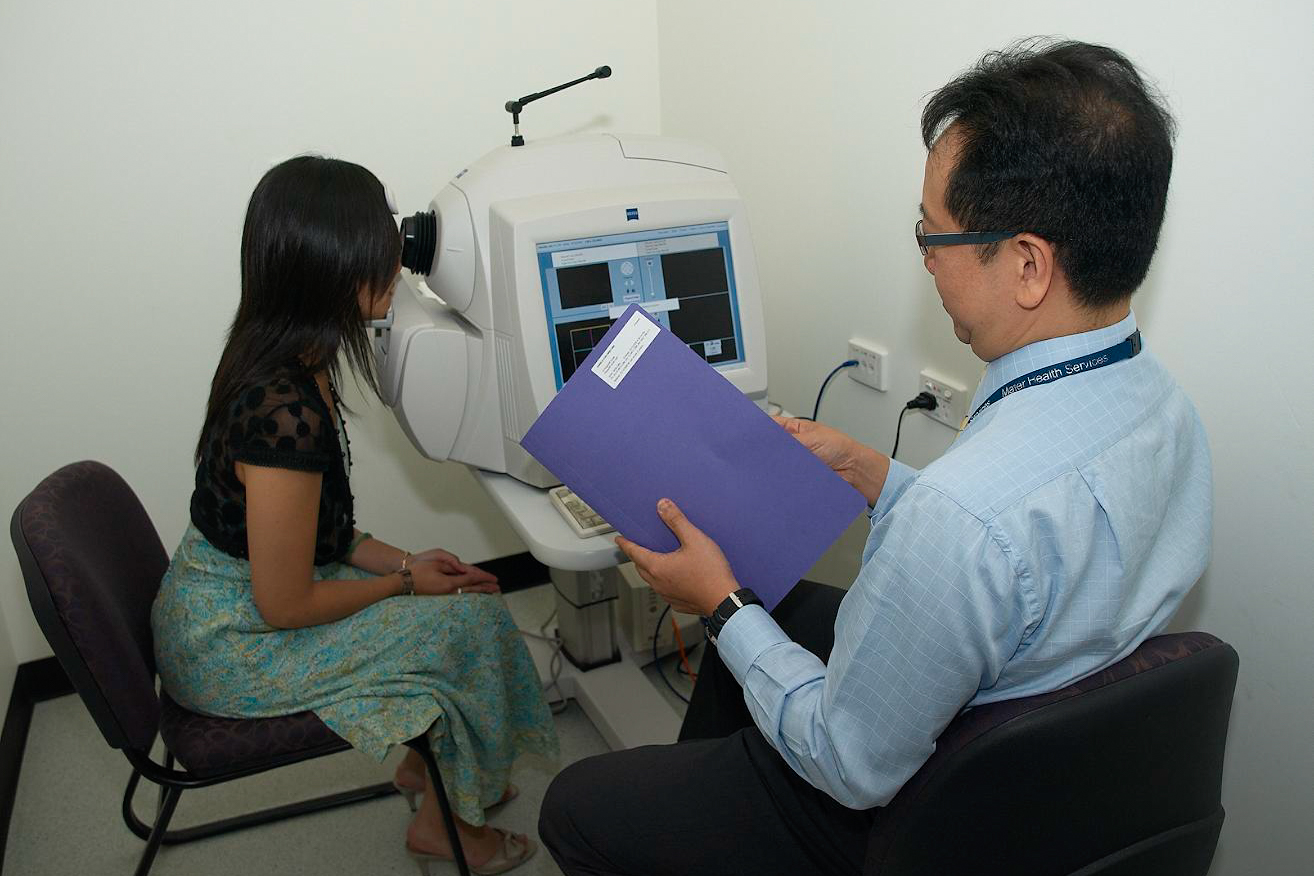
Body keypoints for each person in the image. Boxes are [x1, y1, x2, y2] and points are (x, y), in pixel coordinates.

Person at [538, 38, 1212, 875]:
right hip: (1051, 773)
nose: (925, 255)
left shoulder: (960, 519)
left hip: (899, 807)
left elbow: (850, 765)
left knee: (573, 805)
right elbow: (1028, 554)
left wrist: (716, 602)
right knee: (770, 616)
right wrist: (873, 473)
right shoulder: (1164, 409)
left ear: (1029, 265)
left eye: (935, 233)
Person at [151, 155, 556, 875]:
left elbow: (323, 539)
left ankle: (429, 773)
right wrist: (405, 587)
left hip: (245, 596)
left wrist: (406, 563)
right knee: (467, 629)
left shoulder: (293, 361)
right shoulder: (282, 411)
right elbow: (286, 602)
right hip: (229, 642)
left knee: (464, 605)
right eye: (379, 250)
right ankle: (443, 824)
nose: (396, 263)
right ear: (329, 269)